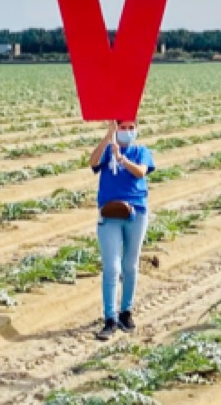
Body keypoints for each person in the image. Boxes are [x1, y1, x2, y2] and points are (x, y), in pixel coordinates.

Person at [89, 120, 154, 341]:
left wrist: (121, 158)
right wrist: (108, 139)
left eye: (130, 127)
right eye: (122, 127)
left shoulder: (141, 151)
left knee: (130, 264)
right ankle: (110, 318)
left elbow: (141, 173)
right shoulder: (108, 149)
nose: (126, 131)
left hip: (137, 213)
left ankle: (126, 311)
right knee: (111, 267)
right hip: (109, 214)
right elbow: (92, 162)